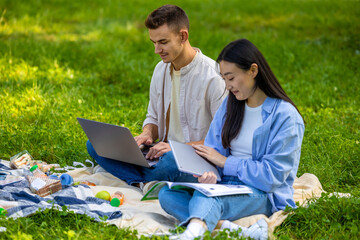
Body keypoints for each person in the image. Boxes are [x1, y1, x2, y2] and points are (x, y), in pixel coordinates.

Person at [158, 39, 305, 240]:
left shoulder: (285, 116)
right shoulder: (231, 106)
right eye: (224, 79)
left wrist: (226, 163)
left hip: (263, 193)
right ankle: (235, 230)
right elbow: (213, 152)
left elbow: (272, 177)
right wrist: (209, 173)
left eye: (231, 78)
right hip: (225, 184)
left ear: (253, 71)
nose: (227, 86)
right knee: (167, 195)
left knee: (208, 197)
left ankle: (193, 234)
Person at [86, 5, 226, 187]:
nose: (156, 50)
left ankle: (138, 178)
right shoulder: (160, 69)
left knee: (170, 162)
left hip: (194, 159)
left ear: (183, 36)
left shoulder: (213, 78)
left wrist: (177, 149)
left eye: (163, 42)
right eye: (154, 43)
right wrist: (147, 134)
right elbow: (153, 117)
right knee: (96, 144)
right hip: (160, 152)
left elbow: (222, 139)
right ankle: (145, 180)